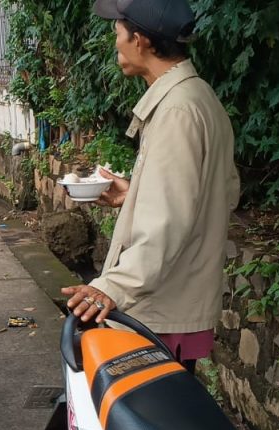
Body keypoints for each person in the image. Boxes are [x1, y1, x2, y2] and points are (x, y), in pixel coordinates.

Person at [62, 0, 240, 373]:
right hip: (175, 300)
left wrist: (111, 287)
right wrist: (134, 194)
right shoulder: (197, 97)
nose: (116, 43)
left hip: (160, 309)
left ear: (140, 40)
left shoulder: (176, 111)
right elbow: (216, 192)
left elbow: (167, 224)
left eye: (118, 34)